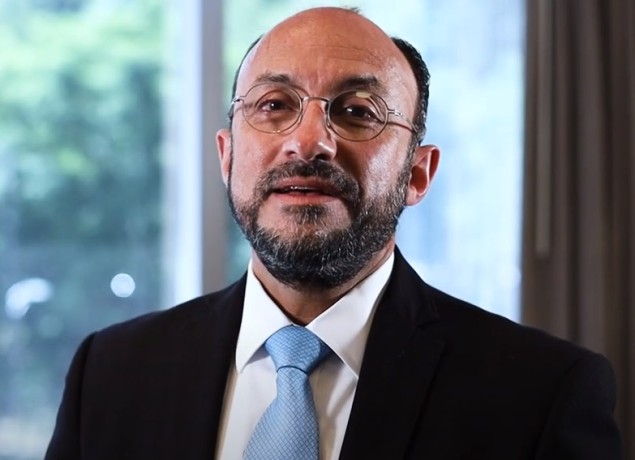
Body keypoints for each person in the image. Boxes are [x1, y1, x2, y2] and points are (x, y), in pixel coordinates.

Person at [45, 6, 622, 460]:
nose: (310, 141)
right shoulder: (111, 374)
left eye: (357, 112)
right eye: (274, 104)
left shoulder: (543, 394)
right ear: (227, 156)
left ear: (417, 174)